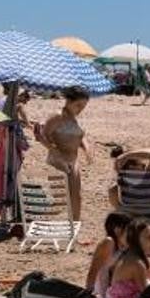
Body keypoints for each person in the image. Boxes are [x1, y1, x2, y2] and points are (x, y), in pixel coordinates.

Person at [36, 85, 92, 223]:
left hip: (74, 160)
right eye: (78, 105)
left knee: (77, 197)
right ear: (68, 101)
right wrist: (53, 149)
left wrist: (87, 148)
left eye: (84, 106)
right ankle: (38, 219)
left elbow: (80, 136)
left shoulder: (74, 119)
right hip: (58, 161)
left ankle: (75, 228)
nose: (81, 109)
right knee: (60, 200)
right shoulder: (57, 116)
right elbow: (41, 136)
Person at [85, 212, 132, 298]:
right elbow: (93, 270)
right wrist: (88, 292)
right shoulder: (108, 243)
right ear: (117, 230)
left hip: (113, 290)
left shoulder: (122, 247)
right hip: (101, 293)